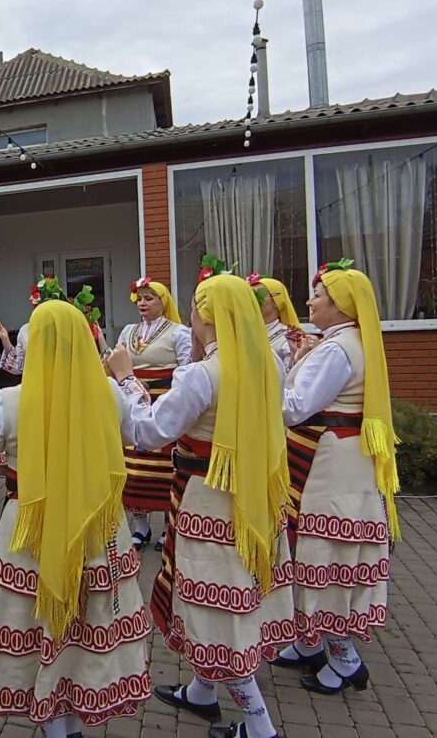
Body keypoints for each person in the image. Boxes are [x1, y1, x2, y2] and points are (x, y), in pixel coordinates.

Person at [0, 300, 152, 737]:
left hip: (28, 527)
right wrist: (127, 379)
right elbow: (142, 431)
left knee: (36, 625)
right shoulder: (107, 392)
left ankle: (57, 724)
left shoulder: (8, 400)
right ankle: (72, 717)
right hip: (95, 526)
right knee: (86, 621)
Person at [108, 272, 293, 738]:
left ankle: (259, 726)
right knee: (229, 592)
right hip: (255, 496)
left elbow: (148, 432)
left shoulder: (202, 374)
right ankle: (202, 692)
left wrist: (127, 380)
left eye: (193, 308)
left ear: (205, 317)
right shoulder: (267, 361)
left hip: (210, 501)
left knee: (215, 605)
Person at [272, 260, 400, 695]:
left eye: (319, 296)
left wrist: (262, 374)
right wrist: (303, 355)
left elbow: (293, 407)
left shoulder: (338, 349)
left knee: (324, 557)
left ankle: (346, 660)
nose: (309, 301)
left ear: (342, 304)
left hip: (330, 466)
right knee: (322, 553)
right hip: (339, 460)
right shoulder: (346, 341)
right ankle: (309, 643)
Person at [117, 277, 192, 552]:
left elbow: (187, 370)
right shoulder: (127, 331)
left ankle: (166, 526)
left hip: (164, 404)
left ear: (164, 302)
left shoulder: (178, 333)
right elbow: (118, 362)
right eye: (140, 298)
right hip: (134, 400)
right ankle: (141, 526)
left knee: (163, 469)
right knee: (135, 467)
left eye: (150, 298)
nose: (143, 303)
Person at [0, 276, 107, 375]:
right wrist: (5, 338)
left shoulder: (68, 327)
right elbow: (17, 367)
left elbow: (86, 362)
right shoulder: (26, 330)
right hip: (36, 387)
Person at [247, 273, 301, 374]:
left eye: (257, 296)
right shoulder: (246, 334)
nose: (252, 301)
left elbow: (290, 378)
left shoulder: (288, 338)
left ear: (276, 302)